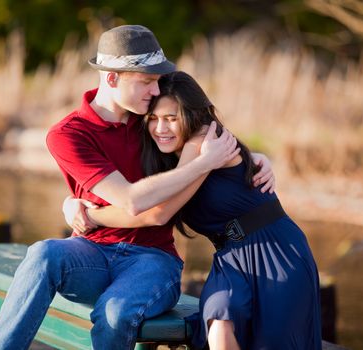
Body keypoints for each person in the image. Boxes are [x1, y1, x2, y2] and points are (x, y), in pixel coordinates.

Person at [0, 25, 275, 350]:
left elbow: (207, 134)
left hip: (153, 260)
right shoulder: (68, 134)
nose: (155, 90)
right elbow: (131, 201)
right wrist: (71, 203)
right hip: (90, 254)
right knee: (42, 253)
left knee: (116, 311)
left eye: (157, 81)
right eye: (146, 81)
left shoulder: (154, 120)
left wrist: (254, 157)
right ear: (111, 78)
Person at [65, 71, 322, 349]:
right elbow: (136, 201)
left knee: (274, 340)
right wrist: (72, 205)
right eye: (153, 119)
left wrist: (90, 217)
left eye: (171, 118)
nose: (160, 128)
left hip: (274, 250)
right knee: (219, 323)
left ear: (191, 115)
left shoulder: (203, 141)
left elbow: (155, 213)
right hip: (230, 258)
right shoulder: (169, 163)